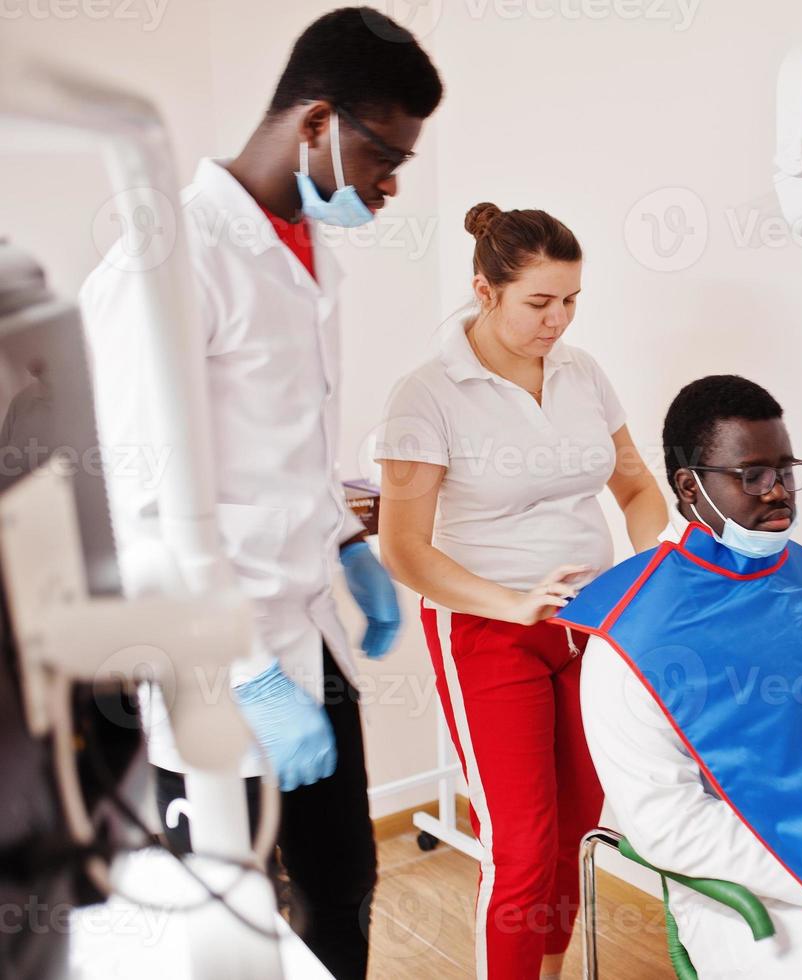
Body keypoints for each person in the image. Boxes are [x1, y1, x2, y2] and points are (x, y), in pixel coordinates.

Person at [78, 9, 442, 977]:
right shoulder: (169, 260)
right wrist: (245, 672)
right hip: (212, 661)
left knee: (343, 884)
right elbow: (134, 503)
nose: (390, 187)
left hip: (306, 628)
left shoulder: (310, 249)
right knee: (231, 927)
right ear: (317, 123)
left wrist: (347, 543)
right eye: (384, 159)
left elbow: (280, 450)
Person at [565, 375, 802, 980]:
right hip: (766, 878)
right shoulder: (630, 636)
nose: (779, 493)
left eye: (786, 471)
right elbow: (669, 826)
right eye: (752, 476)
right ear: (691, 487)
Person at [374, 202, 668, 980]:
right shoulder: (426, 395)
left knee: (575, 829)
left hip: (591, 627)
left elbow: (638, 491)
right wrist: (510, 603)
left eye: (571, 301)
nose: (558, 321)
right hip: (486, 629)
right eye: (539, 302)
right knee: (522, 844)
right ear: (485, 289)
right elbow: (402, 548)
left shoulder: (582, 372)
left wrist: (650, 572)